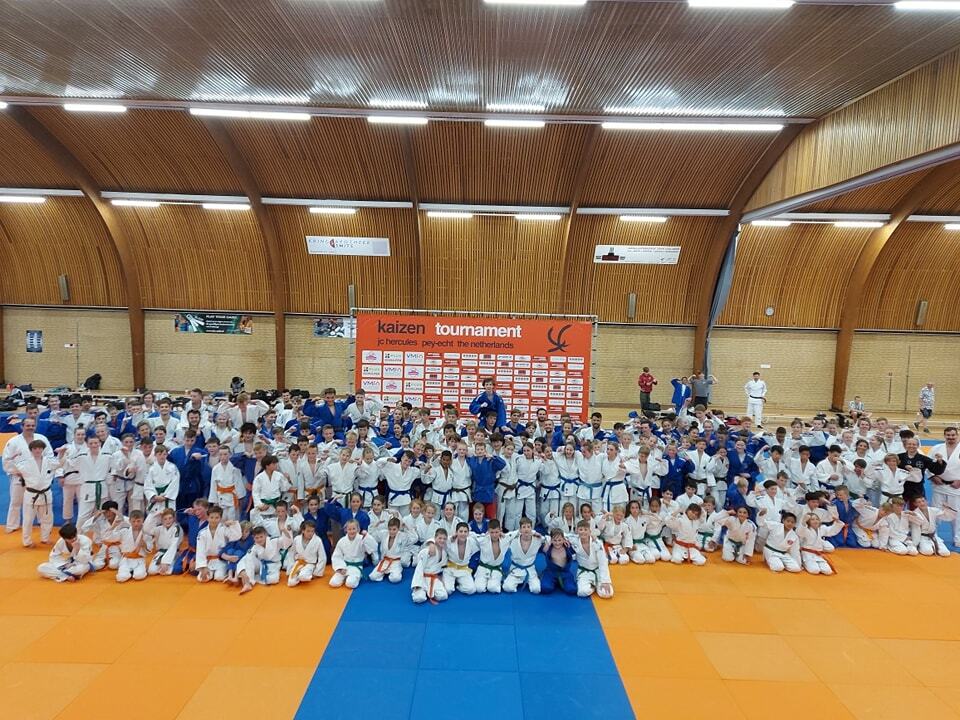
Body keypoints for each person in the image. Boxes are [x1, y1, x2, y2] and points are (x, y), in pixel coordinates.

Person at [12, 439, 57, 547]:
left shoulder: (49, 461)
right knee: (28, 520)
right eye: (35, 448)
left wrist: (62, 453)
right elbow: (13, 467)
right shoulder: (25, 463)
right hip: (31, 495)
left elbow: (60, 463)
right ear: (31, 450)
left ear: (43, 449)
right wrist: (14, 457)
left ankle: (45, 538)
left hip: (45, 493)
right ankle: (27, 541)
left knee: (47, 518)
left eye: (40, 448)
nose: (37, 450)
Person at [930, 427, 960, 548]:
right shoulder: (936, 448)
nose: (950, 437)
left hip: (956, 486)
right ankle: (933, 536)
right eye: (948, 435)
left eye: (953, 435)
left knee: (956, 513)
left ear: (957, 435)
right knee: (935, 511)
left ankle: (957, 537)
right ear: (944, 436)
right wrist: (933, 476)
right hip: (939, 485)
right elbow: (929, 465)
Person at [195, 506, 242, 583]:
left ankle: (225, 573)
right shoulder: (202, 533)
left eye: (217, 518)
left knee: (219, 577)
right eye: (211, 517)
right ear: (208, 518)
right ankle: (209, 572)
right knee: (202, 579)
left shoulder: (224, 529)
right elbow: (200, 551)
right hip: (208, 561)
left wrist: (233, 524)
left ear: (220, 519)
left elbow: (236, 536)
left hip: (221, 560)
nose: (214, 520)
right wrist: (203, 567)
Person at [572, 519, 613, 598]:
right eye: (581, 529)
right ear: (577, 531)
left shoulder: (597, 543)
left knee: (607, 594)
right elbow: (560, 535)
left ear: (590, 531)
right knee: (582, 592)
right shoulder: (574, 540)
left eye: (585, 530)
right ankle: (593, 586)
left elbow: (603, 562)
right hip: (584, 572)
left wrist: (605, 581)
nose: (583, 532)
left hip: (598, 571)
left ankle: (597, 583)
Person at [411, 529, 448, 604]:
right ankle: (422, 591)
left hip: (434, 578)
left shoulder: (444, 553)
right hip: (423, 578)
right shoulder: (426, 551)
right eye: (440, 538)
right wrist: (417, 584)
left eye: (444, 539)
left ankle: (428, 591)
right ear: (435, 538)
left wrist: (443, 579)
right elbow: (419, 568)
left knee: (443, 596)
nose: (442, 540)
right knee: (419, 598)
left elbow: (443, 567)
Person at [115, 510, 151, 582]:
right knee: (121, 578)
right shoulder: (124, 531)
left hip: (139, 559)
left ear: (142, 520)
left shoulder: (146, 533)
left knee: (139, 576)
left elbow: (150, 549)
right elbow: (110, 537)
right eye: (133, 521)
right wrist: (113, 527)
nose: (136, 523)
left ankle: (136, 571)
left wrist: (145, 545)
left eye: (138, 521)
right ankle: (128, 572)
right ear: (130, 521)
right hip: (126, 559)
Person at [330, 519, 366, 589]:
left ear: (358, 529)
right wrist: (340, 568)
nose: (352, 531)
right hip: (345, 566)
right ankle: (346, 577)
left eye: (354, 529)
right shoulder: (342, 541)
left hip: (356, 566)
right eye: (349, 529)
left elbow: (372, 547)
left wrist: (367, 536)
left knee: (350, 584)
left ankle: (355, 577)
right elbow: (337, 556)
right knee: (333, 583)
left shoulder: (362, 539)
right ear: (346, 530)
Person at [539, 529, 577, 595]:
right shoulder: (547, 548)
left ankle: (559, 582)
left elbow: (579, 539)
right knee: (545, 588)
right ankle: (553, 582)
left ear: (563, 539)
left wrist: (592, 538)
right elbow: (539, 541)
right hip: (551, 572)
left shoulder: (568, 547)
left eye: (559, 540)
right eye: (555, 540)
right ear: (551, 540)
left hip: (565, 573)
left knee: (572, 590)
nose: (557, 543)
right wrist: (548, 542)